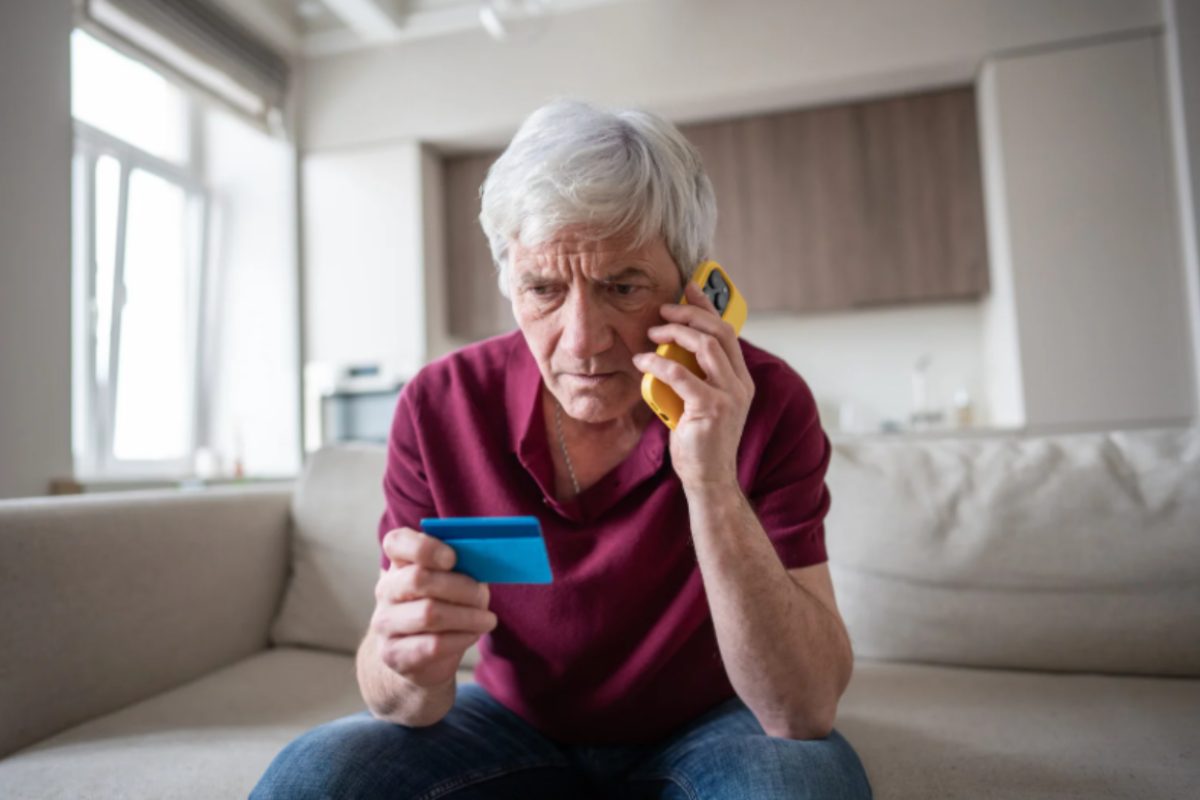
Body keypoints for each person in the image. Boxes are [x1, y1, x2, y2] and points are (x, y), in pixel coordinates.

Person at [252, 100, 872, 799]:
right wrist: (405, 664)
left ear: (695, 290)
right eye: (542, 289)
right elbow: (399, 698)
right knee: (312, 779)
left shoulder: (770, 400)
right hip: (513, 721)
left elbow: (802, 709)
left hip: (717, 721)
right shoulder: (438, 405)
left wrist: (709, 478)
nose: (581, 340)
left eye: (624, 287)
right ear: (509, 281)